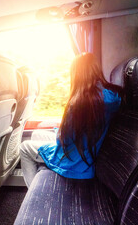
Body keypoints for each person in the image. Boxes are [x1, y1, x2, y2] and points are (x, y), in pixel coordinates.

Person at [20, 52, 122, 187]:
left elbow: (63, 140)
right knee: (37, 134)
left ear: (77, 75)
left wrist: (60, 130)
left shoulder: (78, 103)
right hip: (89, 149)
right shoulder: (113, 97)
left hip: (75, 162)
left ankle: (33, 191)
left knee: (24, 148)